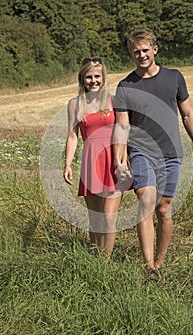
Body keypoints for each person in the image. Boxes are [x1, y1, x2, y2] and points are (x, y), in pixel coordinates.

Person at [113, 28, 193, 279]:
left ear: (155, 49)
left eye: (145, 50)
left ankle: (161, 261)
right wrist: (119, 160)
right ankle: (149, 265)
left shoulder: (174, 77)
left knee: (164, 209)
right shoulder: (125, 86)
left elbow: (187, 114)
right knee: (146, 201)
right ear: (131, 55)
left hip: (171, 153)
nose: (141, 55)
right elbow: (122, 126)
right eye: (136, 52)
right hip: (141, 152)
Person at [63, 57, 125, 261]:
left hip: (112, 161)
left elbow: (124, 131)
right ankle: (96, 257)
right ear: (82, 78)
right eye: (89, 77)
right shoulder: (75, 104)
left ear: (103, 77)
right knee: (95, 219)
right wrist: (68, 164)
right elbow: (73, 135)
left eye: (97, 76)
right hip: (91, 163)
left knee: (108, 218)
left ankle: (104, 264)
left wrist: (123, 161)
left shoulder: (114, 101)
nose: (93, 80)